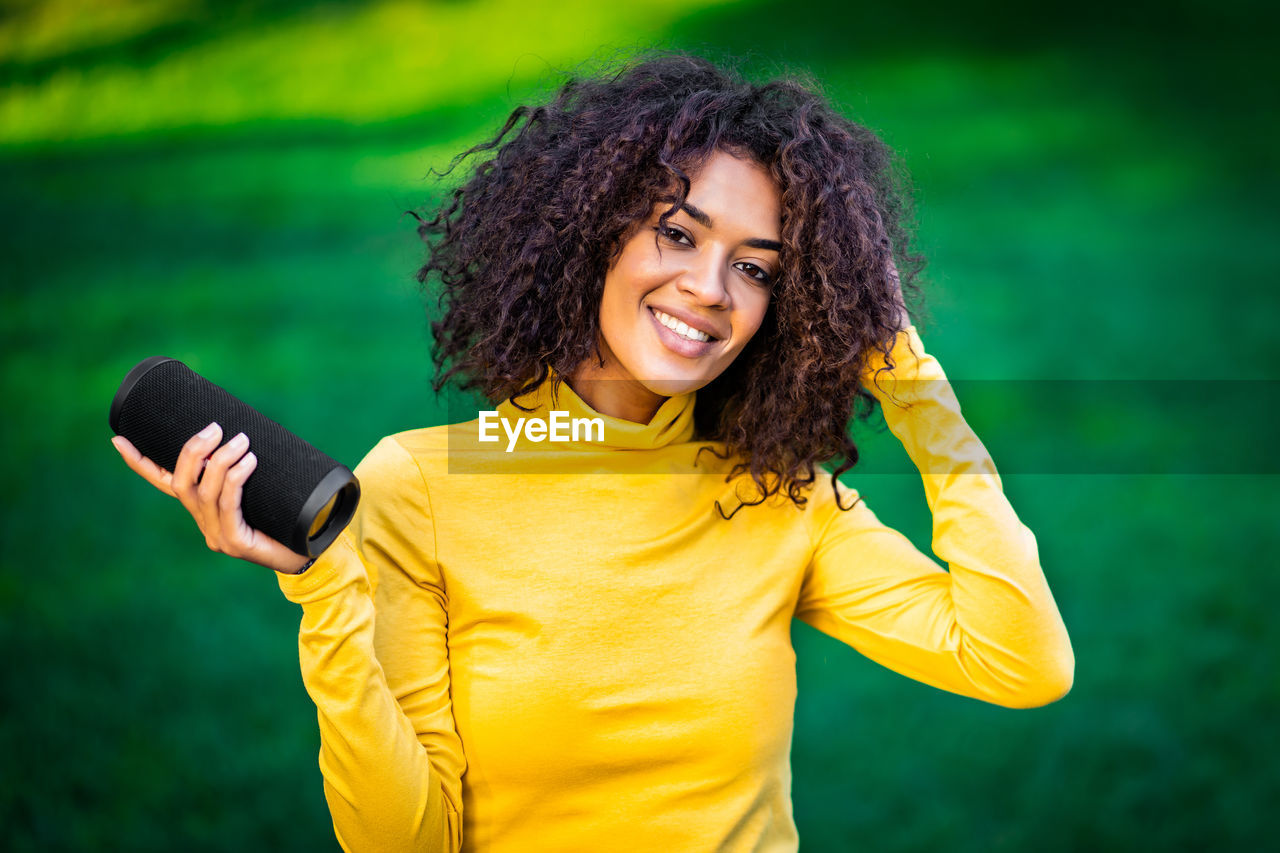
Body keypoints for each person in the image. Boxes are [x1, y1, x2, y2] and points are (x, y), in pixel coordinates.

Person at [112, 53, 1073, 853]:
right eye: (677, 233)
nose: (709, 289)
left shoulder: (776, 494)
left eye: (754, 268)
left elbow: (1019, 661)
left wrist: (913, 389)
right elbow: (406, 840)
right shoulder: (421, 486)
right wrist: (324, 591)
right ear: (592, 233)